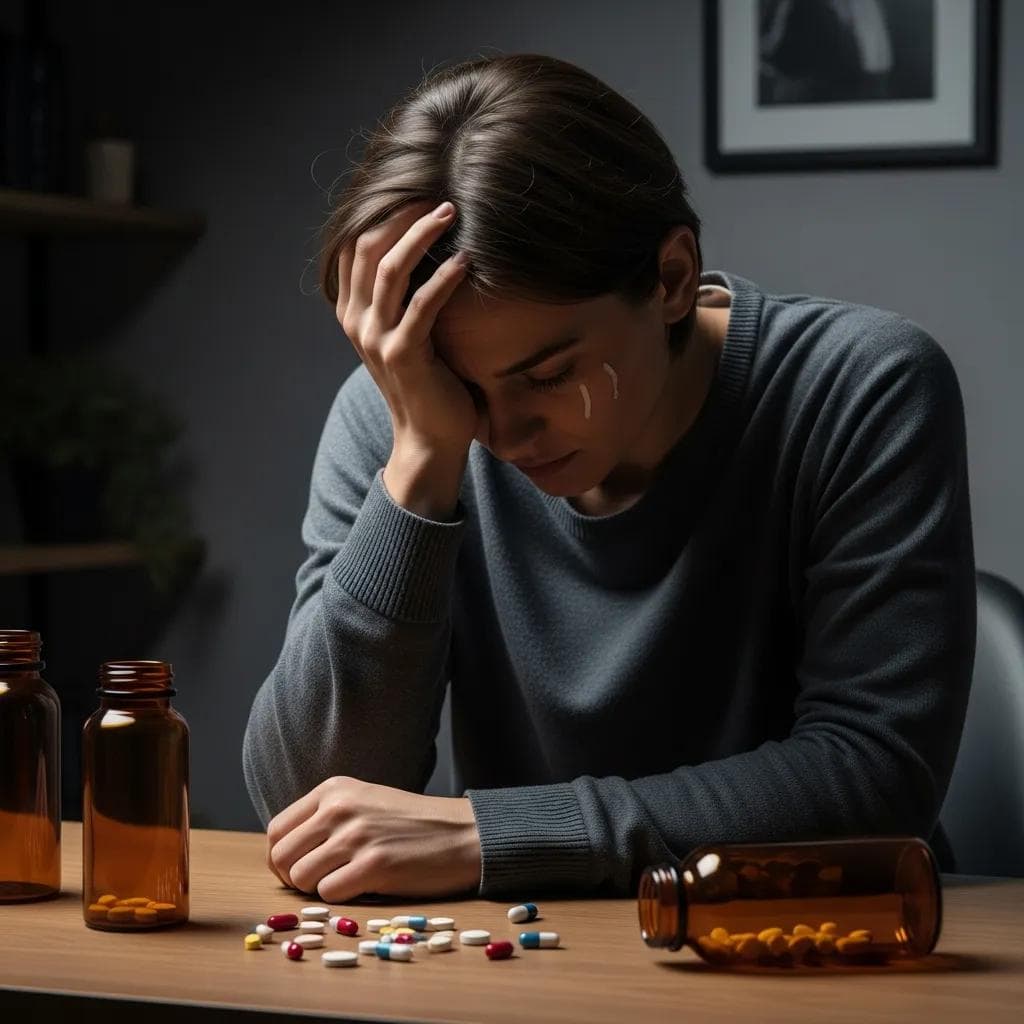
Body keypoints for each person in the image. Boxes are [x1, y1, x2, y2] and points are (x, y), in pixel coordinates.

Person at [241, 53, 975, 902]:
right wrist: (418, 470)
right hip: (531, 957)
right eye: (465, 391)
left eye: (548, 376)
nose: (502, 435)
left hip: (817, 942)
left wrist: (499, 835)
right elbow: (307, 805)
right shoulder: (406, 417)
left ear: (669, 279)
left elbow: (875, 779)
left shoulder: (862, 387)